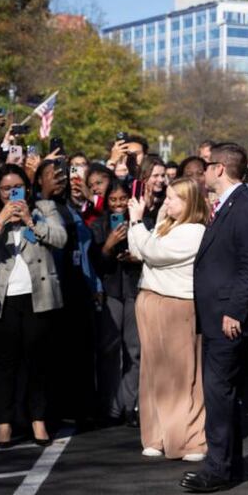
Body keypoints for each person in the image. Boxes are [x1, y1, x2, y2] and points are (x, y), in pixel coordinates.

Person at [181, 143, 248, 493]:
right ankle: (228, 465)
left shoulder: (245, 208)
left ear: (219, 168)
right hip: (217, 315)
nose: (203, 172)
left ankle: (217, 468)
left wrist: (235, 311)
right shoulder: (229, 204)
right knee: (222, 394)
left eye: (207, 166)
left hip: (227, 318)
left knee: (218, 393)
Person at [0, 164, 67, 447]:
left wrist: (31, 222)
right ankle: (4, 423)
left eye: (17, 188)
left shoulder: (43, 208)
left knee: (37, 361)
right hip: (3, 298)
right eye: (6, 189)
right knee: (4, 363)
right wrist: (0, 221)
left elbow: (61, 238)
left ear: (28, 189)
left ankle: (38, 419)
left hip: (38, 295)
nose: (12, 194)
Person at [127, 176, 208, 460]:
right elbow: (137, 250)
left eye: (173, 198)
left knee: (183, 374)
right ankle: (156, 435)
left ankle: (189, 439)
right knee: (153, 370)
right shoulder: (167, 224)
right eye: (167, 196)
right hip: (151, 299)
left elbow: (154, 252)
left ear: (189, 202)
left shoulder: (195, 231)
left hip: (178, 304)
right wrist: (139, 222)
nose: (166, 201)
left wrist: (138, 222)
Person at [37, 158, 101, 427]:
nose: (59, 179)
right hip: (50, 286)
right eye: (52, 175)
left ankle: (82, 408)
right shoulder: (35, 208)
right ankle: (53, 409)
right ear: (39, 180)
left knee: (81, 350)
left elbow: (84, 250)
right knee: (54, 351)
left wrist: (95, 286)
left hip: (78, 285)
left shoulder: (73, 210)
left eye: (61, 175)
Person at [91, 176, 142, 427]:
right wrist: (107, 247)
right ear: (106, 201)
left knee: (134, 349)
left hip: (134, 289)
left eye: (123, 199)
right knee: (109, 350)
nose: (119, 204)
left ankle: (130, 405)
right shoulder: (99, 226)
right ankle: (111, 406)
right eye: (113, 200)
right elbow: (97, 264)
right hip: (111, 290)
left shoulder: (141, 222)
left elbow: (150, 253)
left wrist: (136, 256)